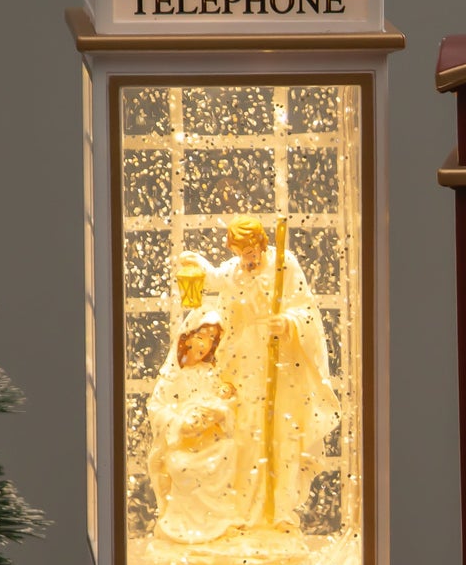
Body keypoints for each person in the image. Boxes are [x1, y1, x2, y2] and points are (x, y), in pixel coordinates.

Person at [180, 217, 338, 533]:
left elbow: (306, 309)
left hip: (281, 363)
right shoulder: (235, 271)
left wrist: (289, 322)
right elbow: (213, 279)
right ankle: (243, 507)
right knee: (246, 433)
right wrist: (193, 263)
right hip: (244, 364)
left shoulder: (285, 264)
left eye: (251, 252)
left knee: (283, 433)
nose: (248, 260)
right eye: (241, 253)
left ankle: (279, 509)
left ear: (261, 244)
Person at [145, 310, 240, 545]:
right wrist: (180, 423)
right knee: (182, 465)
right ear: (187, 337)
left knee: (229, 450)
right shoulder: (171, 377)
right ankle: (183, 525)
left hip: (210, 441)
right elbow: (157, 409)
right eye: (202, 335)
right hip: (183, 444)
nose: (206, 344)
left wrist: (219, 412)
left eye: (211, 339)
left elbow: (226, 405)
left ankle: (219, 523)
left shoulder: (211, 374)